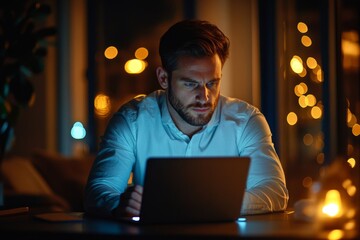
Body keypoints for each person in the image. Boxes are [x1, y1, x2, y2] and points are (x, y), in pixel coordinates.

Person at [84, 19, 289, 218]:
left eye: (212, 83)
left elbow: (275, 192)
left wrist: (201, 203)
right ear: (164, 78)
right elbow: (98, 191)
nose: (204, 97)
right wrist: (119, 204)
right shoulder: (132, 121)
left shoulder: (246, 121)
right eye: (190, 84)